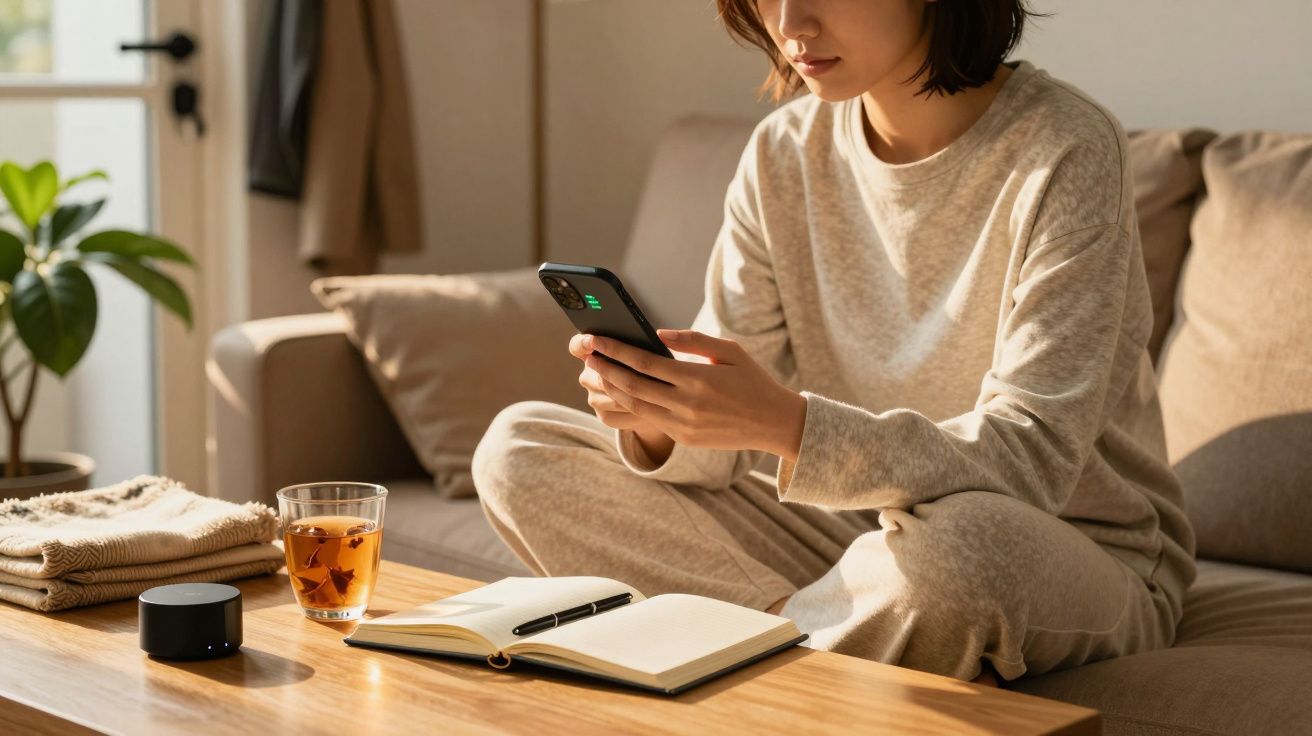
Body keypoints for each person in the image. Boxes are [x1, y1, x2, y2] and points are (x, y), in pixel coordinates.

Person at [473, 0, 1195, 684]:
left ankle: (746, 660)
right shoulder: (782, 154)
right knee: (519, 451)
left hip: (1065, 544)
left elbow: (1033, 459)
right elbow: (720, 455)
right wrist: (665, 421)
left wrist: (787, 424)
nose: (791, 25)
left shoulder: (1066, 149)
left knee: (961, 554)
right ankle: (794, 646)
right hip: (850, 542)